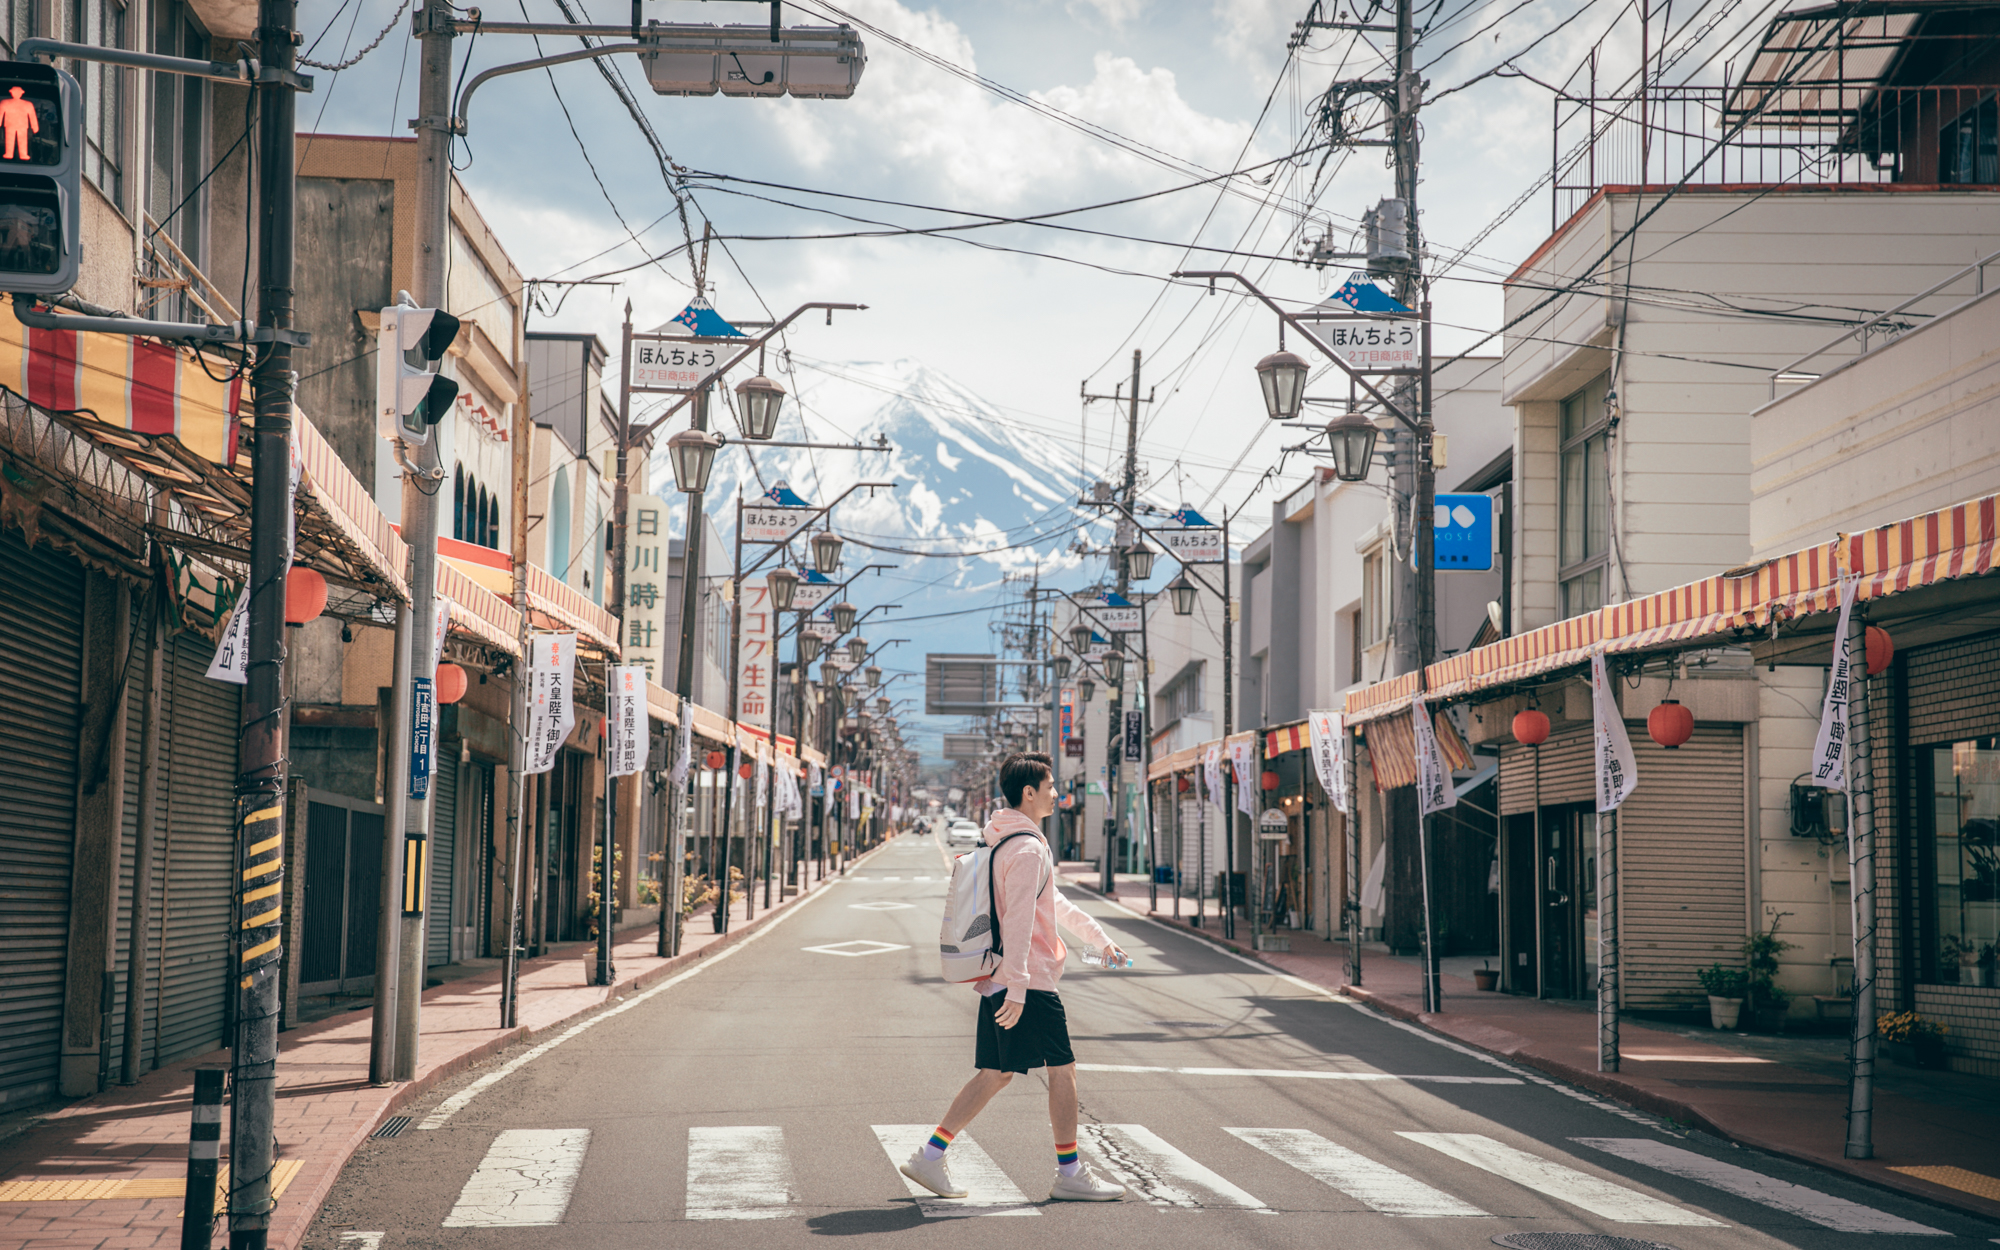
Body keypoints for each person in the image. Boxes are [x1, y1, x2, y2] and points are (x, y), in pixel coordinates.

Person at [901, 751, 1129, 1203]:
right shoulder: (1027, 848)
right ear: (1029, 792)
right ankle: (1070, 1173)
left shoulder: (1007, 840)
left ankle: (928, 1156)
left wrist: (1100, 939)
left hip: (1003, 979)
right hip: (1028, 982)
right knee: (1062, 1071)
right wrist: (1022, 987)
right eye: (1050, 787)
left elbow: (1053, 904)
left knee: (996, 1074)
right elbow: (1022, 921)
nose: (1056, 794)